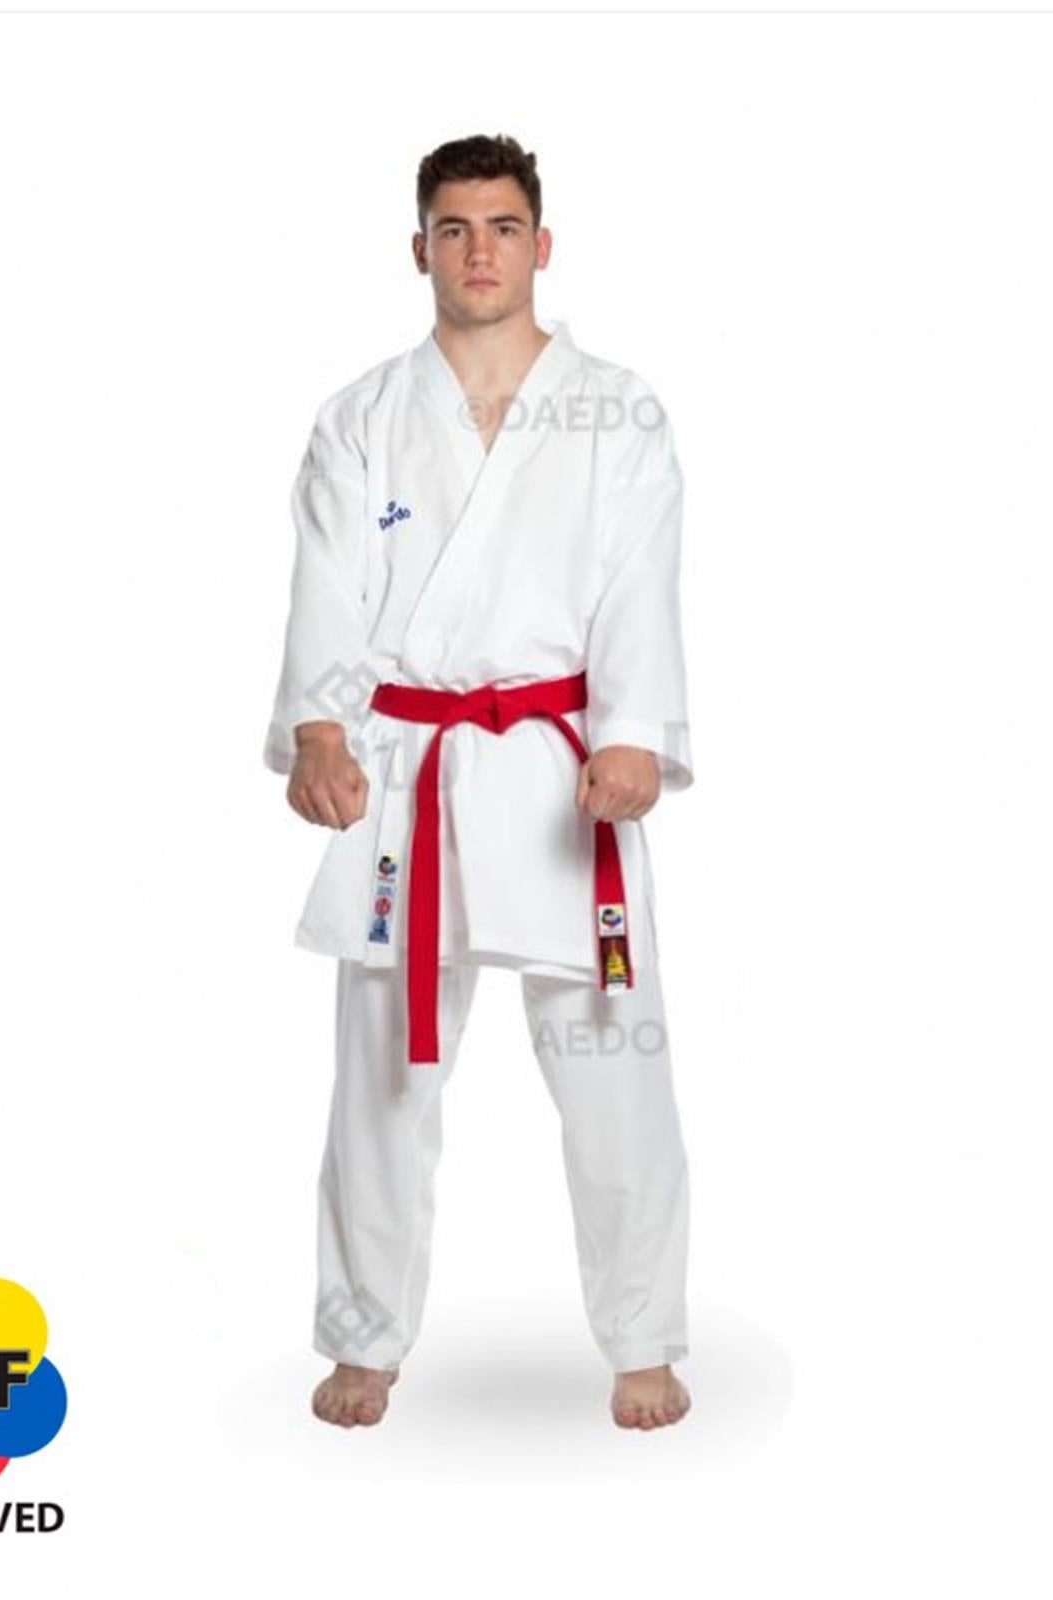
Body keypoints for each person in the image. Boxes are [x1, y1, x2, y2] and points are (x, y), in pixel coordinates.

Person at [263, 133, 695, 1431]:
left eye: (503, 227)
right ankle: (364, 1336)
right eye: (454, 229)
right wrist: (321, 730)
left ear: (541, 244)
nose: (480, 252)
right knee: (380, 1081)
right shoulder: (361, 418)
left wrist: (632, 731)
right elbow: (327, 587)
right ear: (421, 250)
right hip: (413, 774)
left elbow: (639, 581)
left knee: (615, 1065)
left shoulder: (616, 410)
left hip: (567, 775)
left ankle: (643, 1335)